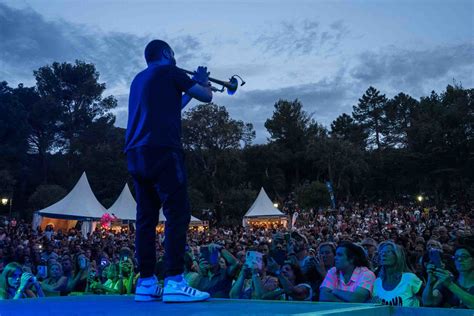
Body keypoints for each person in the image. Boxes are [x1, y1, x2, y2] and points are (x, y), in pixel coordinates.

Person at [125, 39, 212, 302]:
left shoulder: (138, 80)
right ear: (166, 53)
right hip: (163, 148)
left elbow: (174, 107)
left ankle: (147, 282)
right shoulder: (171, 71)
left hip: (136, 151)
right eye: (173, 54)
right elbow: (207, 97)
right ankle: (174, 279)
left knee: (146, 218)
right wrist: (202, 80)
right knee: (177, 213)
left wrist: (187, 89)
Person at [422, 244, 474, 308]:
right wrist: (430, 283)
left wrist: (450, 285)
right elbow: (428, 303)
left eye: (464, 256)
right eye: (456, 257)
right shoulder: (448, 281)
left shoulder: (448, 282)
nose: (460, 259)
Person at [372, 241, 422, 306]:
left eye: (388, 252)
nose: (384, 254)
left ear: (397, 255)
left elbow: (427, 300)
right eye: (382, 252)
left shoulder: (410, 278)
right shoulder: (377, 282)